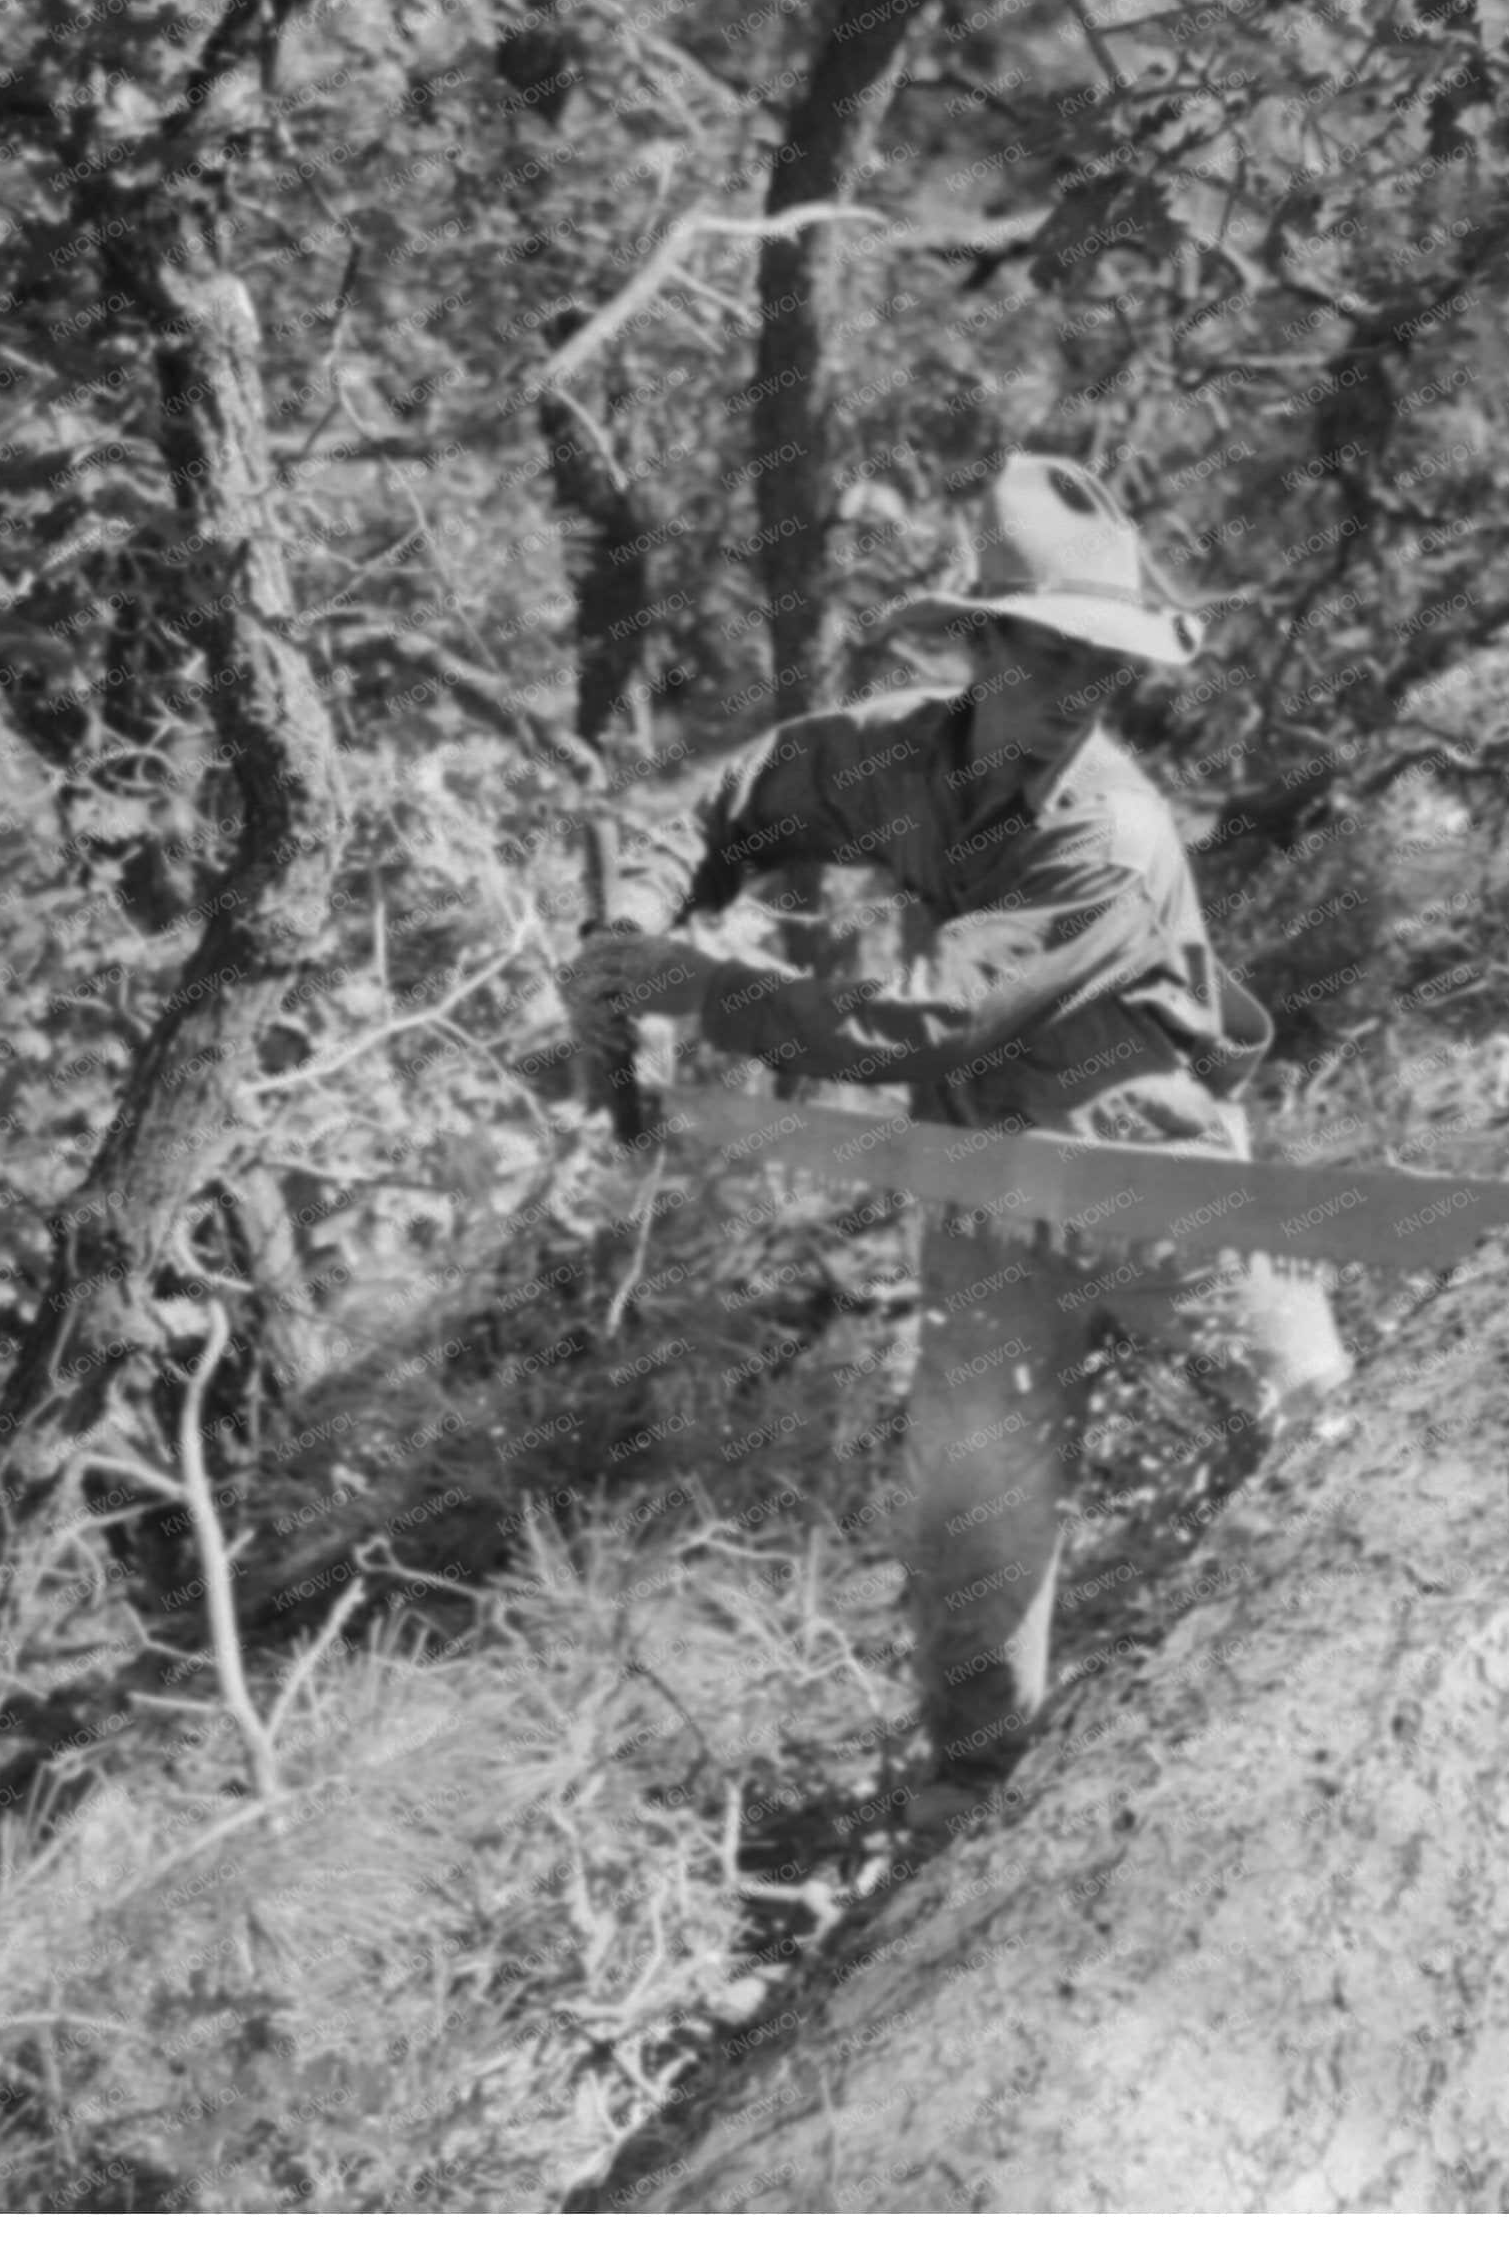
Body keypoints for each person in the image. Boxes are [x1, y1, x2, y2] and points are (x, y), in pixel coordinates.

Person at [568, 452, 1350, 1817]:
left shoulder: (1108, 836)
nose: (1070, 701)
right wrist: (629, 924)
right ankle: (972, 1806)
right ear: (980, 643)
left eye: (1098, 675)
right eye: (1047, 662)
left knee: (1312, 1427)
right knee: (970, 1510)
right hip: (984, 1183)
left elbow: (916, 1022)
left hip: (1142, 1168)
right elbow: (723, 801)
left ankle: (1350, 1698)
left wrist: (704, 991)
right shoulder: (895, 755)